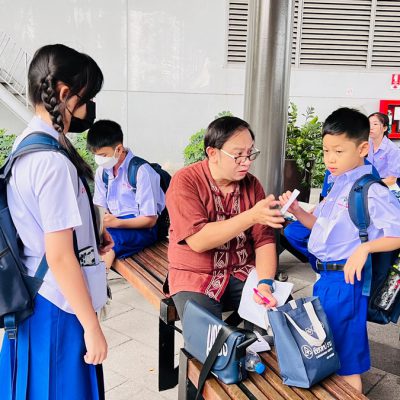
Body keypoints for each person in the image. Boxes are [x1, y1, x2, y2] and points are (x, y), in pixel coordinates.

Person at [0, 44, 112, 399]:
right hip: (59, 305)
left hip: (35, 297)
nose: (87, 108)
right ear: (64, 94)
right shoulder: (53, 162)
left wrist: (91, 235)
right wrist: (91, 326)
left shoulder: (26, 145)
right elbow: (61, 256)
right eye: (85, 98)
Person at [279, 107, 400, 392]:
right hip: (327, 279)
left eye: (338, 151)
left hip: (346, 281)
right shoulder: (338, 184)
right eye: (326, 151)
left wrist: (365, 249)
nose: (330, 159)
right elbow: (321, 227)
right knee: (330, 349)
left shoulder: (371, 190)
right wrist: (298, 212)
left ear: (362, 149)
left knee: (346, 363)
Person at [166, 116, 285, 320]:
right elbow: (198, 240)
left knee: (282, 318)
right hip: (195, 275)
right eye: (238, 155)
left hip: (242, 271)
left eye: (250, 153)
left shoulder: (252, 184)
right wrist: (252, 216)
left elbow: (264, 240)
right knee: (208, 334)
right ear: (213, 153)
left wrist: (265, 283)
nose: (246, 162)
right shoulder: (185, 181)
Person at [87, 119, 165, 271]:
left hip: (143, 228)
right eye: (97, 155)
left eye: (103, 155)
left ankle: (98, 282)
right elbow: (100, 207)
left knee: (109, 244)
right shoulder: (102, 172)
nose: (100, 160)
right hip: (113, 224)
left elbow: (150, 220)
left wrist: (117, 223)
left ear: (119, 149)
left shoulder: (142, 171)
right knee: (87, 239)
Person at [367, 112, 400, 187]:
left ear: (384, 128)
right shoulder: (367, 145)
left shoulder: (393, 149)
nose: (370, 127)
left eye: (375, 124)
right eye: (368, 124)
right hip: (370, 181)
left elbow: (392, 180)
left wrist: (370, 184)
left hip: (386, 184)